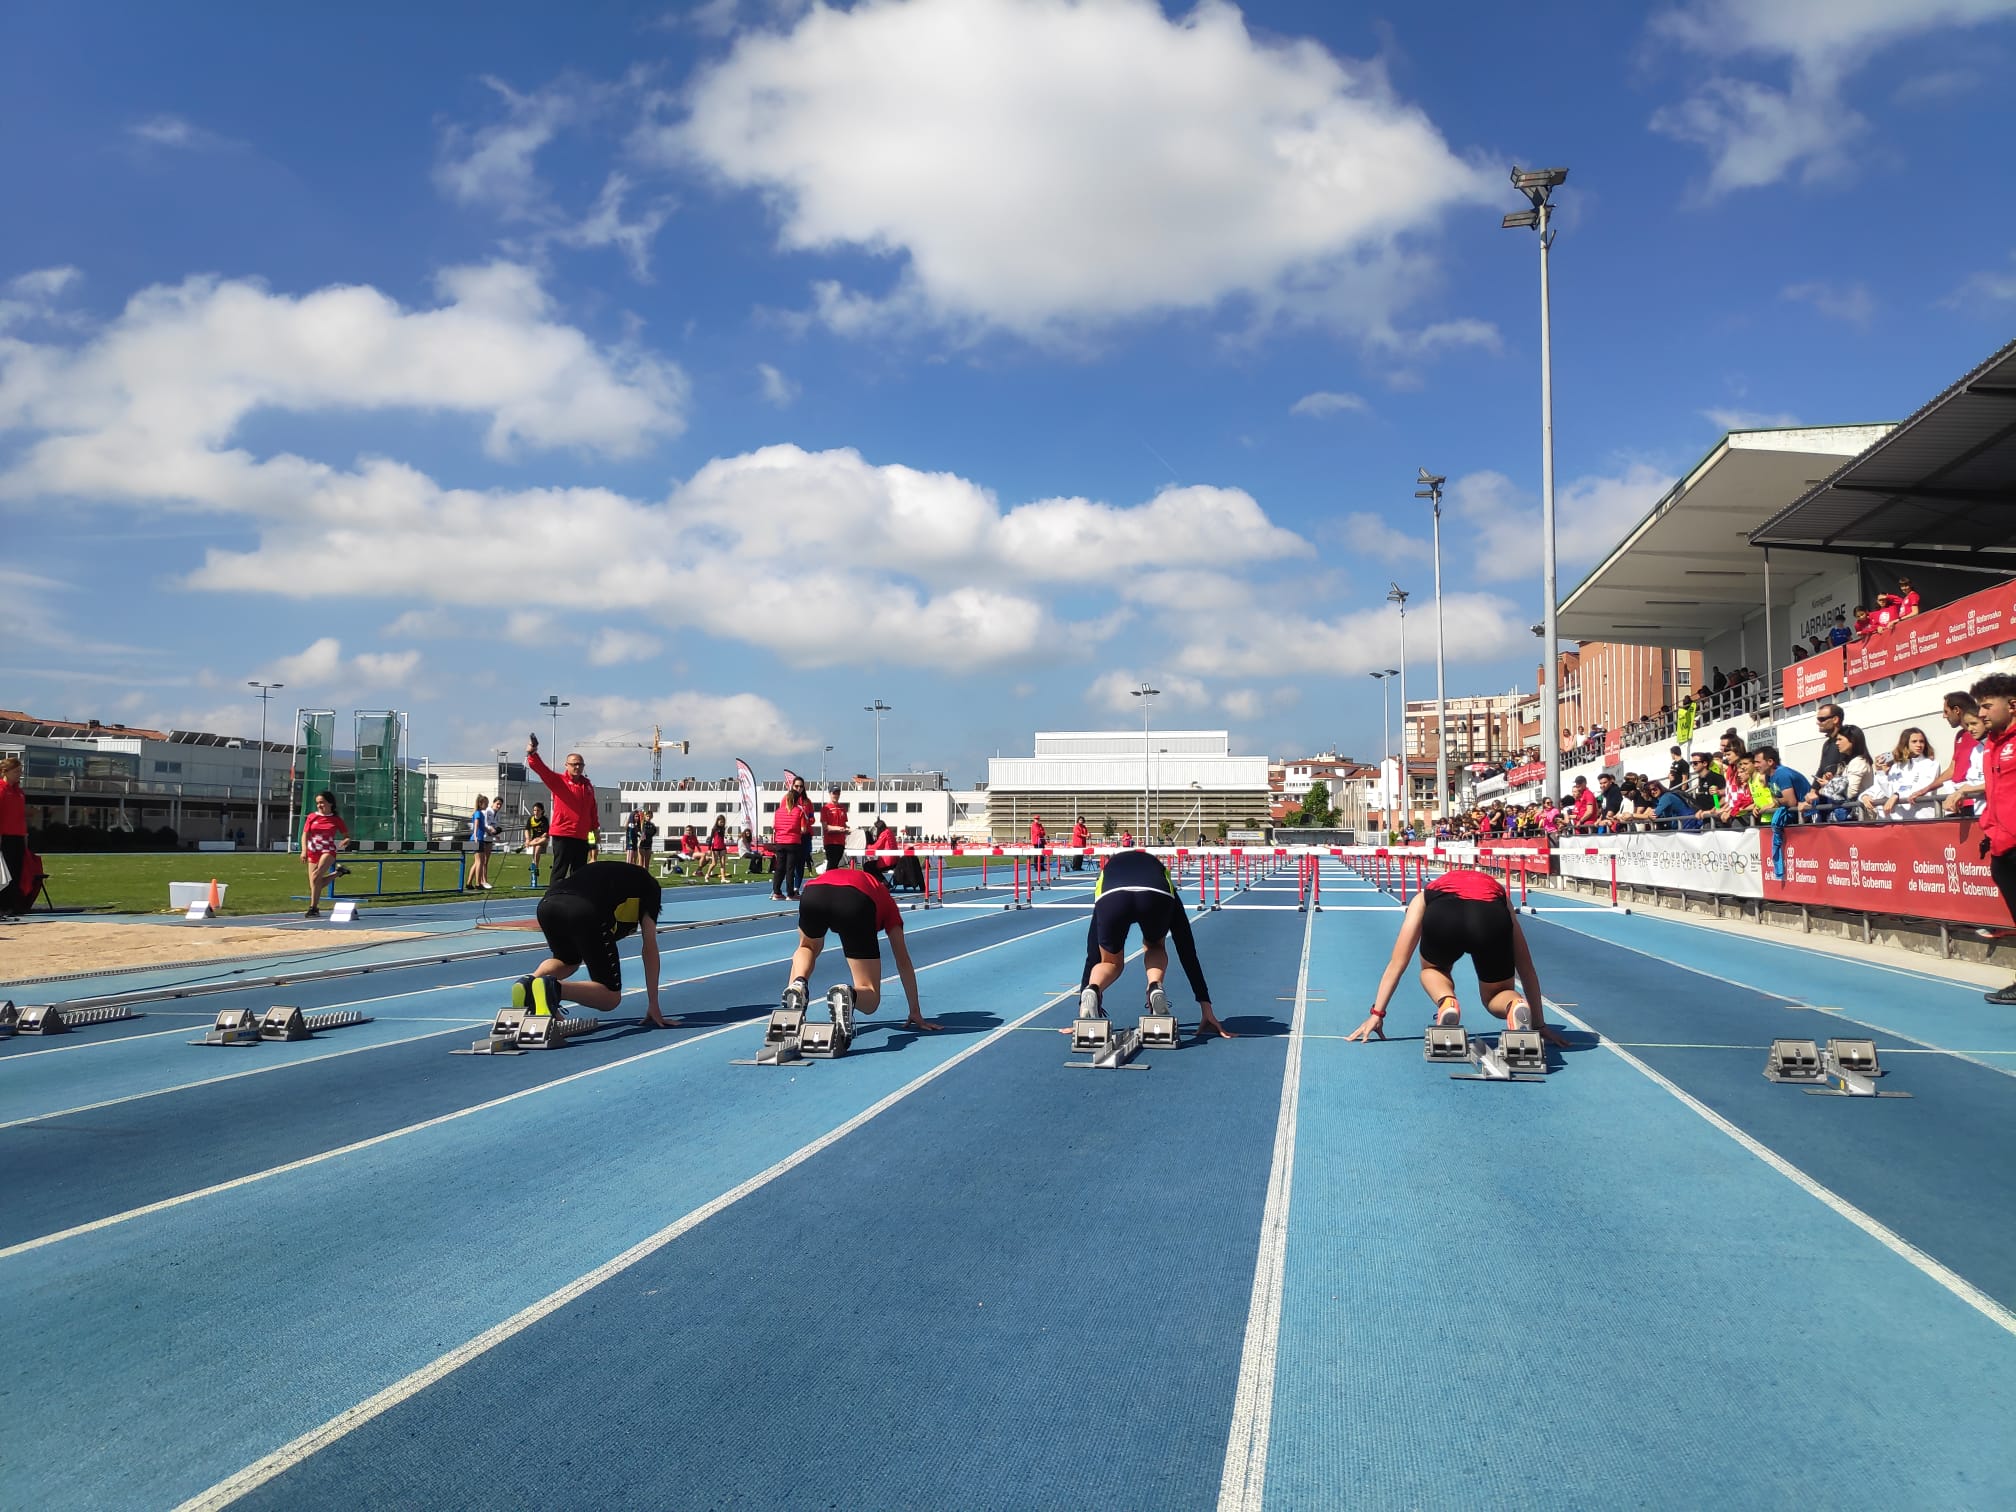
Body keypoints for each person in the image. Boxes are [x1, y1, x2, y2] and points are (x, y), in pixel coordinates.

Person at [1347, 867, 1567, 1047]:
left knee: (1432, 970)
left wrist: (1377, 1013)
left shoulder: (1424, 896)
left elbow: (1398, 963)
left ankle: (1447, 1002)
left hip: (1444, 916)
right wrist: (1538, 1024)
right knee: (1497, 993)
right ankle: (1514, 1004)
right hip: (1490, 914)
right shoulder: (1500, 894)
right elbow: (1526, 967)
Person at [1071, 846, 1231, 1041]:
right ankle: (1155, 985)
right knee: (1155, 946)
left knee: (1110, 962)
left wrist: (1082, 1003)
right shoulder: (1162, 875)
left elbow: (1092, 950)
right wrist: (1205, 1006)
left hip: (1112, 896)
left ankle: (1093, 989)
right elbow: (1186, 948)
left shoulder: (1106, 875)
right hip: (1155, 894)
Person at [778, 861, 939, 1041]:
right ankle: (847, 994)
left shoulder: (867, 884)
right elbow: (902, 961)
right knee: (870, 995)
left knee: (807, 946)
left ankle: (797, 986)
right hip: (856, 899)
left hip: (815, 890)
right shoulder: (888, 903)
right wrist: (915, 1010)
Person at [514, 859, 675, 1029]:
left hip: (547, 904)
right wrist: (654, 1003)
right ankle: (553, 989)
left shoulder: (611, 873)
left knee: (567, 960)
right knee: (610, 997)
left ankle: (529, 982)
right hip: (585, 908)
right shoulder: (650, 888)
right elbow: (649, 947)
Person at [1968, 673, 2016, 1005]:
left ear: (2012, 705)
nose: (1981, 714)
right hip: (2003, 849)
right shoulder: (1991, 748)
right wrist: (1990, 828)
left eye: (1987, 706)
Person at [525, 737, 597, 885]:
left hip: (582, 835)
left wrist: (595, 829)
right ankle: (553, 900)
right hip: (564, 834)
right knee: (560, 870)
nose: (577, 767)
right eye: (574, 764)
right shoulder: (559, 781)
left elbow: (592, 808)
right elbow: (542, 770)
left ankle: (577, 901)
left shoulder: (587, 785)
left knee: (579, 872)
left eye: (580, 764)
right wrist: (533, 754)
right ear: (567, 765)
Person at [299, 789, 353, 918]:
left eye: (322, 802)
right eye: (317, 803)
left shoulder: (336, 819)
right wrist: (304, 851)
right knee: (314, 883)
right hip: (313, 851)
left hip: (327, 850)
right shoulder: (312, 817)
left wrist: (346, 840)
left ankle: (312, 907)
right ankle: (338, 873)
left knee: (316, 876)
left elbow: (347, 835)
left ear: (330, 803)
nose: (319, 805)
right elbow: (305, 834)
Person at [1803, 725, 1872, 822]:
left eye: (1840, 739)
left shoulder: (1858, 762)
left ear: (1852, 741)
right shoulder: (1847, 763)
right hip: (1850, 818)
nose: (1837, 743)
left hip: (1858, 819)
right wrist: (1832, 780)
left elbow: (1851, 793)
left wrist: (1829, 785)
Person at [1875, 729, 1939, 821]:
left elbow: (1924, 789)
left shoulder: (1932, 765)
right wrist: (1880, 772)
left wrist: (1897, 795)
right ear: (1905, 744)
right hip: (1898, 820)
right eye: (1914, 742)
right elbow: (1888, 792)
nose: (1919, 745)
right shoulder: (1896, 766)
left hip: (1923, 818)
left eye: (1922, 741)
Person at [771, 786, 810, 901]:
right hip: (793, 842)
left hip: (780, 841)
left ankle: (776, 892)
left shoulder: (778, 811)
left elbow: (774, 826)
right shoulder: (799, 811)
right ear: (797, 800)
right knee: (790, 868)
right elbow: (803, 829)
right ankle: (790, 893)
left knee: (779, 867)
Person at [0, 754, 26, 916]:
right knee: (5, 872)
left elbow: (20, 815)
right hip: (5, 836)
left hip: (18, 836)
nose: (19, 774)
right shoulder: (1, 790)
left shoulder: (19, 792)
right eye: (16, 771)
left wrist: (25, 835)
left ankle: (12, 905)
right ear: (6, 771)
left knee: (16, 871)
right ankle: (2, 905)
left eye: (20, 771)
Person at [819, 785, 851, 874]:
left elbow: (844, 823)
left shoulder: (842, 808)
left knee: (836, 864)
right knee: (832, 864)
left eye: (838, 793)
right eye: (834, 793)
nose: (836, 795)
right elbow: (825, 827)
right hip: (830, 842)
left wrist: (847, 829)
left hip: (840, 841)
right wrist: (838, 829)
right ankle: (826, 883)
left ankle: (832, 883)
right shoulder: (825, 808)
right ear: (830, 794)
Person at [467, 796, 495, 890]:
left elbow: (483, 827)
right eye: (485, 803)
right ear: (480, 803)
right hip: (477, 839)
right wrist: (475, 835)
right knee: (480, 862)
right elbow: (476, 824)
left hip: (480, 838)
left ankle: (469, 882)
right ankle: (478, 883)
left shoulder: (482, 814)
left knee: (478, 862)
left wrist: (491, 833)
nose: (487, 805)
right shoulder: (478, 813)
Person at [524, 801, 550, 888]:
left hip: (543, 839)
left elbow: (546, 833)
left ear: (542, 811)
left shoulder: (544, 820)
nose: (536, 812)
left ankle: (536, 866)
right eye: (534, 810)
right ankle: (535, 866)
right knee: (536, 847)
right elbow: (527, 829)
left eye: (538, 810)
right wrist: (528, 839)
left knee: (538, 845)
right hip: (534, 840)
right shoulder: (531, 819)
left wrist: (538, 839)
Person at [706, 815, 730, 882]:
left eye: (723, 822)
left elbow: (722, 837)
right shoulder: (714, 829)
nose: (722, 823)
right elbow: (711, 839)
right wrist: (709, 849)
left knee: (723, 863)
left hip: (722, 847)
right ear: (717, 821)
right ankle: (707, 874)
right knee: (714, 863)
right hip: (715, 847)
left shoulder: (723, 829)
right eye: (720, 822)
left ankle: (723, 878)